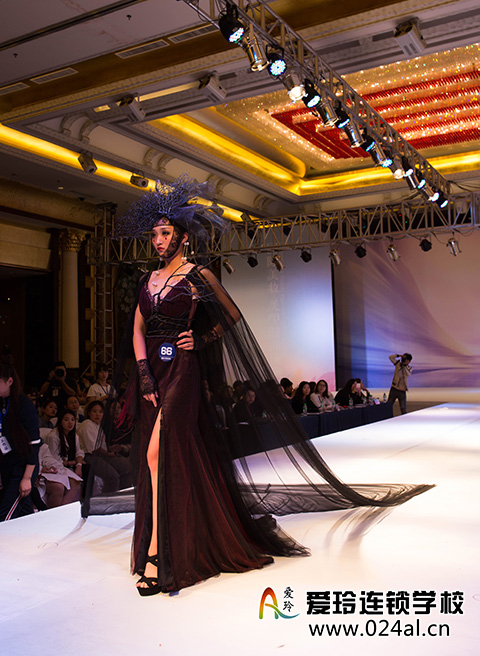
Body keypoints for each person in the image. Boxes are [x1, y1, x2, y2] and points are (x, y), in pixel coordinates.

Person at [82, 175, 433, 597]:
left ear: (183, 236)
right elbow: (137, 329)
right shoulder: (147, 280)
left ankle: (158, 551)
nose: (158, 241)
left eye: (165, 233)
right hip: (151, 372)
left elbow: (232, 316)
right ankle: (184, 534)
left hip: (182, 372)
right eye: (155, 234)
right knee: (164, 456)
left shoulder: (198, 276)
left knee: (157, 453)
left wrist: (201, 339)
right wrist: (141, 372)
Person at [0, 352, 42, 521]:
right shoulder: (2, 403)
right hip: (7, 464)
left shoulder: (24, 405)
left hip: (24, 467)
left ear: (9, 381)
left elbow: (34, 445)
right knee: (24, 513)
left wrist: (26, 478)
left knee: (4, 516)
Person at [40, 409, 84, 507]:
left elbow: (79, 452)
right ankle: (60, 510)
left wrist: (78, 465)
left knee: (76, 481)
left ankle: (64, 508)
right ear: (60, 421)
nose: (70, 423)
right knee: (66, 484)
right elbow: (54, 459)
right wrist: (71, 463)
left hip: (66, 466)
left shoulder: (74, 435)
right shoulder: (53, 436)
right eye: (66, 420)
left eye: (72, 420)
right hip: (56, 466)